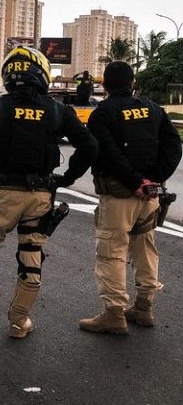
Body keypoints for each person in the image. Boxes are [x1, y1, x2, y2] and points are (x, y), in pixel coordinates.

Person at [0, 46, 98, 338]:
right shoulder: (58, 110)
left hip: (2, 192)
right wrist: (66, 178)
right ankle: (19, 322)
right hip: (41, 194)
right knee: (31, 253)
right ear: (42, 74)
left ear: (8, 75)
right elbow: (90, 145)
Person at [79, 61, 182, 334]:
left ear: (105, 86)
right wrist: (154, 179)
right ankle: (144, 307)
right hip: (150, 196)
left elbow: (108, 153)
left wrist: (136, 182)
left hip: (119, 195)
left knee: (112, 252)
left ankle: (114, 313)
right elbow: (173, 146)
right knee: (145, 248)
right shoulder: (153, 108)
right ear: (132, 82)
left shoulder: (103, 113)